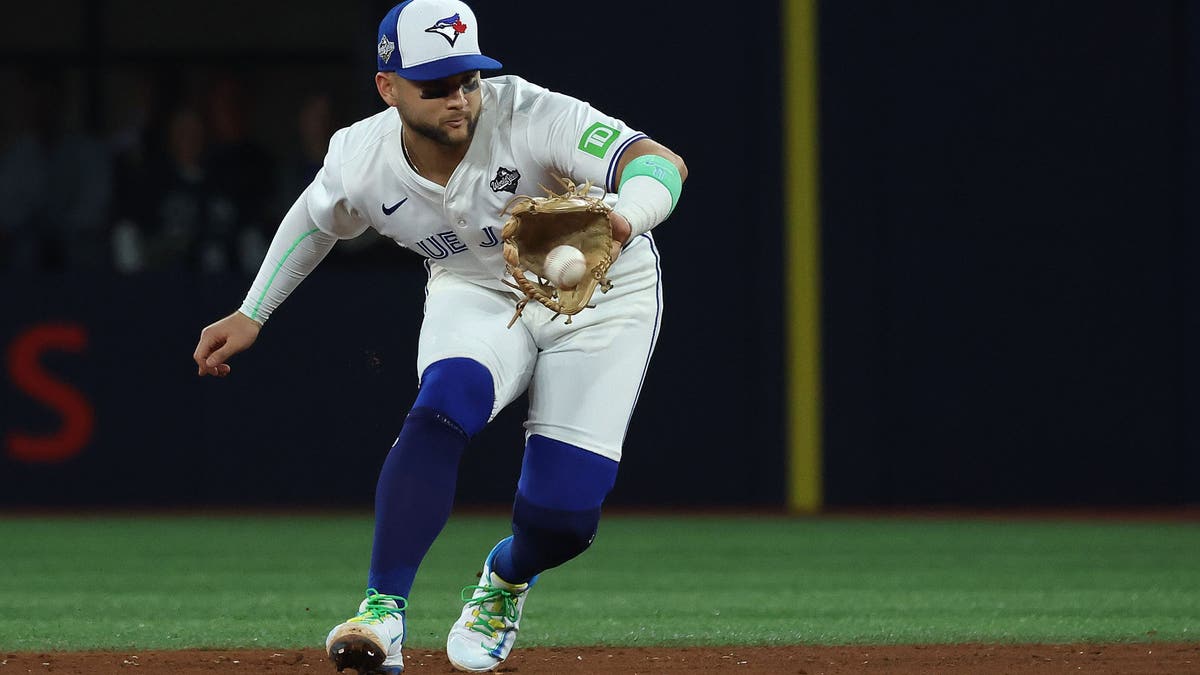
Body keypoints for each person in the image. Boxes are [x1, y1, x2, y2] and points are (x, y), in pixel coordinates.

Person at [191, 0, 686, 672]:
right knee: (443, 401)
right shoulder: (360, 157)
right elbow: (315, 221)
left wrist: (623, 219)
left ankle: (505, 580)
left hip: (603, 297)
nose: (459, 98)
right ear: (387, 87)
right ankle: (382, 612)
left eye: (468, 80)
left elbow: (661, 163)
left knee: (562, 519)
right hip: (476, 286)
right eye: (436, 85)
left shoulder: (535, 115)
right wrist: (253, 312)